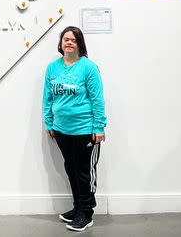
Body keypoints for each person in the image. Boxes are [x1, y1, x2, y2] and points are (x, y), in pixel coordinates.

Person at [43, 26, 107, 232]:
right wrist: (49, 122)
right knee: (71, 169)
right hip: (62, 130)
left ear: (79, 44)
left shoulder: (88, 67)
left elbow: (97, 99)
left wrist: (99, 126)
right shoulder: (52, 68)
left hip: (84, 130)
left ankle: (86, 213)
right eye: (65, 39)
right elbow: (48, 97)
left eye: (73, 40)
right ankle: (78, 207)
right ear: (60, 44)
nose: (69, 42)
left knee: (83, 172)